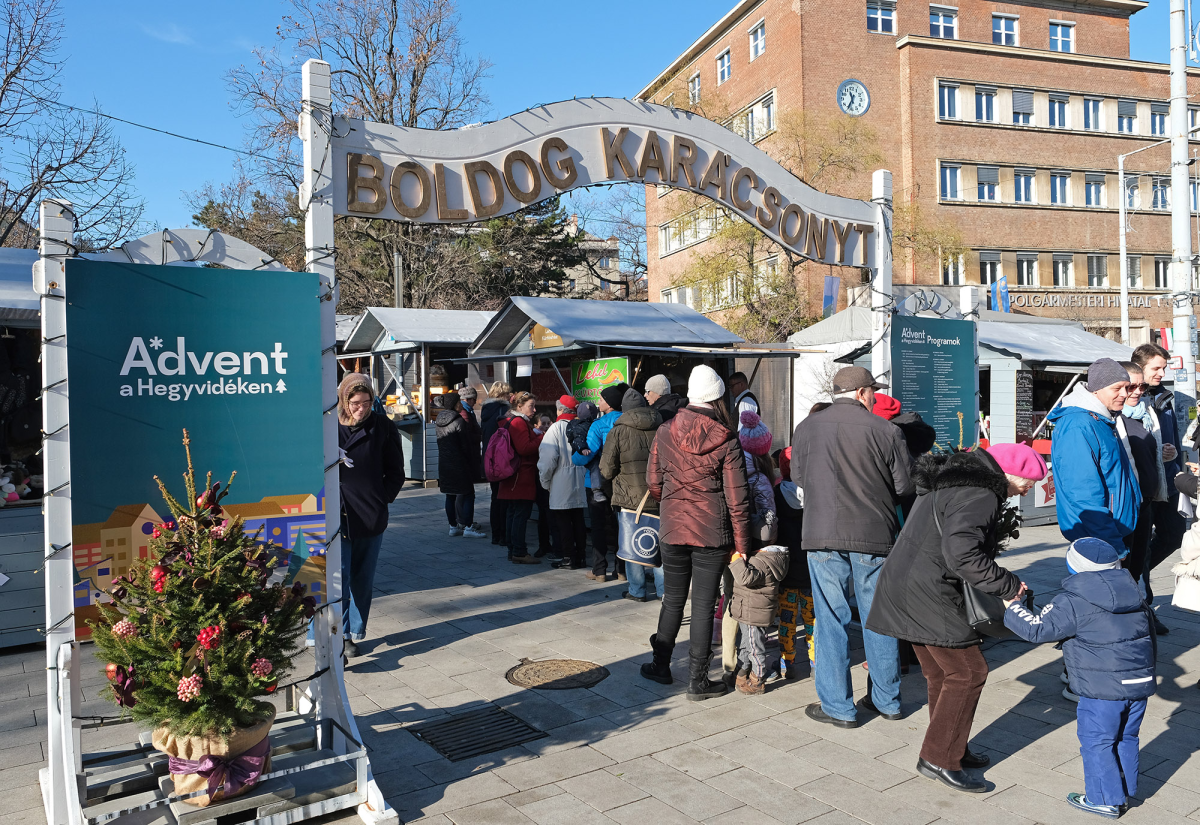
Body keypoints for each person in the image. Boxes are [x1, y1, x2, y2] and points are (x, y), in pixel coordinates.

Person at [867, 444, 1046, 793]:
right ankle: (939, 758)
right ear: (1011, 474)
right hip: (927, 591)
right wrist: (1008, 584)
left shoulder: (955, 482)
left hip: (905, 584)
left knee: (941, 672)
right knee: (968, 672)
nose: (1030, 489)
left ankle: (952, 746)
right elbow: (962, 554)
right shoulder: (981, 493)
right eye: (1030, 481)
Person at [790, 365, 913, 728]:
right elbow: (904, 485)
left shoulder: (806, 428)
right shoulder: (885, 430)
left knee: (830, 618)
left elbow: (798, 476)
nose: (875, 397)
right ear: (861, 393)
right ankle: (887, 700)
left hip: (822, 531)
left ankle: (838, 708)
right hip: (873, 533)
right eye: (872, 391)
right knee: (878, 616)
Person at [1004, 538, 1156, 818]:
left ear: (1074, 566)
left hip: (1101, 690)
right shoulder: (1134, 592)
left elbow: (1037, 630)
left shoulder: (1073, 600)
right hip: (1138, 685)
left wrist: (1013, 607)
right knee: (1126, 737)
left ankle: (1103, 800)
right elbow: (1150, 638)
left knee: (1097, 740)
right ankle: (1123, 791)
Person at [641, 365, 752, 701]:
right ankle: (698, 681)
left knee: (672, 599)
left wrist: (672, 504)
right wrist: (743, 544)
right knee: (704, 605)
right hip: (711, 533)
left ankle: (661, 664)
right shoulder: (726, 437)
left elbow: (653, 483)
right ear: (718, 398)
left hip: (673, 528)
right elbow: (738, 498)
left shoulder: (665, 429)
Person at [337, 373, 405, 657]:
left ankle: (354, 631)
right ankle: (336, 635)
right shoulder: (327, 425)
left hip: (368, 513)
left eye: (367, 402)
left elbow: (396, 471)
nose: (361, 408)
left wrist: (382, 498)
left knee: (361, 579)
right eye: (355, 403)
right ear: (343, 401)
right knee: (335, 578)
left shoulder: (382, 427)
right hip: (334, 514)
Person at [1046, 358, 1141, 560]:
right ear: (1097, 390)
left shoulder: (1100, 420)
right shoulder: (1079, 425)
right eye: (1118, 388)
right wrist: (1114, 544)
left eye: (1127, 387)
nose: (1125, 394)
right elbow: (1083, 492)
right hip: (1099, 538)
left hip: (1111, 532)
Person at [1132, 343, 1181, 636]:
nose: (1162, 373)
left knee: (1174, 534)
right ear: (1140, 367)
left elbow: (1171, 436)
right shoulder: (1129, 397)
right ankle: (1145, 605)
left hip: (1169, 480)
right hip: (1145, 483)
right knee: (1141, 548)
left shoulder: (1164, 398)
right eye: (1157, 368)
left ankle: (1139, 571)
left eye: (1164, 368)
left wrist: (1173, 455)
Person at [600, 386, 664, 601]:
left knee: (632, 543)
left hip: (629, 498)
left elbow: (606, 469)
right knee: (660, 545)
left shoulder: (618, 431)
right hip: (660, 496)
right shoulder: (662, 427)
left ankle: (637, 591)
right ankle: (665, 592)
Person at [1116, 363, 1168, 603]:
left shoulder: (1147, 414)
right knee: (1123, 565)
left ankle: (1136, 613)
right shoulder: (1114, 418)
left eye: (1142, 386)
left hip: (1147, 498)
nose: (1137, 391)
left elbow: (1148, 456)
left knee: (1138, 563)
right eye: (1131, 386)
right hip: (1125, 502)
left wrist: (1165, 453)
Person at [572, 384, 624, 582]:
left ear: (609, 404)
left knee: (598, 526)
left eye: (602, 399)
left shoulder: (598, 425)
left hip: (596, 483)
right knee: (619, 526)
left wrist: (575, 457)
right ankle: (622, 569)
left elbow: (588, 454)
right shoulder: (625, 421)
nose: (599, 402)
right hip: (621, 482)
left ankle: (599, 570)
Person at [729, 545, 789, 695]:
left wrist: (735, 559)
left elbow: (745, 577)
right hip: (750, 610)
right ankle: (742, 673)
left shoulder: (762, 561)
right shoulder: (769, 558)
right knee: (744, 643)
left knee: (755, 648)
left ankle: (757, 681)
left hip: (753, 613)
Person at [538, 395, 589, 571]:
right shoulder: (582, 426)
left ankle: (568, 557)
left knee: (563, 522)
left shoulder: (555, 429)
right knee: (578, 519)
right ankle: (581, 556)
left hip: (561, 480)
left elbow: (548, 459)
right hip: (580, 478)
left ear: (560, 410)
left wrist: (545, 482)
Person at [773, 445, 810, 679]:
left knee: (786, 622)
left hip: (785, 572)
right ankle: (817, 663)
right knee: (813, 622)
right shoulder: (816, 495)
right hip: (810, 571)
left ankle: (787, 663)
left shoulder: (775, 494)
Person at [496, 391, 543, 565]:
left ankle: (512, 549)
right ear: (519, 406)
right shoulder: (519, 422)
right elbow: (524, 448)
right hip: (521, 474)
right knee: (520, 514)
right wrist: (541, 437)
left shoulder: (508, 421)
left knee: (512, 513)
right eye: (531, 406)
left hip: (511, 473)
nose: (534, 409)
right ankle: (519, 551)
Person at [435, 392, 485, 539]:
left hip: (444, 463)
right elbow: (465, 445)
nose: (460, 405)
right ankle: (468, 527)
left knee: (450, 495)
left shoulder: (439, 421)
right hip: (460, 463)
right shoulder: (459, 421)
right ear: (454, 404)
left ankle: (453, 526)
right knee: (468, 494)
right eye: (458, 402)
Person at [481, 382, 512, 547]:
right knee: (504, 498)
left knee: (495, 498)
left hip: (489, 458)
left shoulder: (485, 410)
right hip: (502, 458)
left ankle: (496, 534)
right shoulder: (503, 411)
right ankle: (504, 535)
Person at [533, 412, 556, 557]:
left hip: (553, 480)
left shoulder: (553, 437)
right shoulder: (536, 438)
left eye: (548, 423)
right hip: (540, 478)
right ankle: (544, 544)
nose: (546, 426)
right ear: (536, 426)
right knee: (543, 514)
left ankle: (554, 544)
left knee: (552, 514)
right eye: (543, 424)